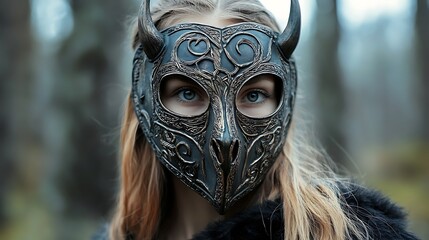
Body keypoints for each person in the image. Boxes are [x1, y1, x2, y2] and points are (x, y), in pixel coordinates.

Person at [94, 0, 419, 239]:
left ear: (283, 99)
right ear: (144, 99)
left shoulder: (355, 233)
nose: (224, 136)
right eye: (188, 93)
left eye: (253, 95)